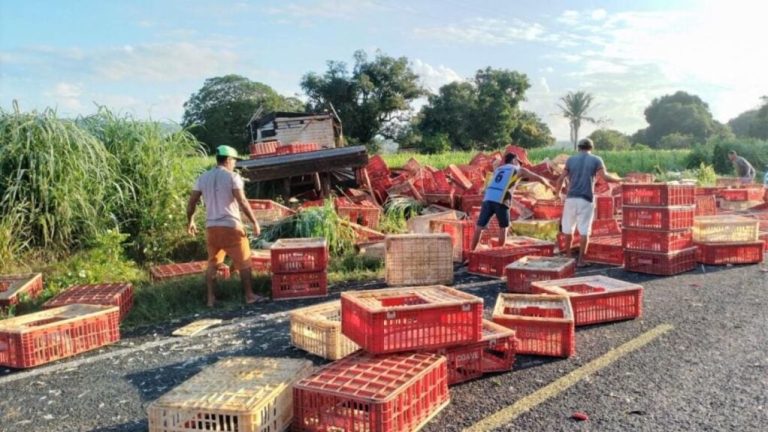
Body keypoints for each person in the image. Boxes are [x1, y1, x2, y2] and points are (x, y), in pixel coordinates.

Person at [186, 145, 265, 307]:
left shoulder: (202, 178)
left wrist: (190, 221)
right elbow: (242, 201)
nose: (235, 164)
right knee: (244, 262)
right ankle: (249, 295)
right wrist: (254, 222)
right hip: (231, 226)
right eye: (234, 160)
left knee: (212, 264)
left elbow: (191, 203)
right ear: (228, 160)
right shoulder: (233, 177)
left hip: (211, 228)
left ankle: (211, 299)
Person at [554, 138, 622, 267]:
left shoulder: (570, 160)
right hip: (586, 199)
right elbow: (605, 177)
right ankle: (581, 261)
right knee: (584, 231)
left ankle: (568, 258)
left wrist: (557, 194)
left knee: (568, 229)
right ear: (591, 148)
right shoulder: (596, 159)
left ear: (578, 148)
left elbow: (560, 179)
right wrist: (620, 180)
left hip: (570, 199)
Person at [469, 152, 555, 252]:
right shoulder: (518, 169)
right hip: (501, 199)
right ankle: (499, 253)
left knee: (479, 227)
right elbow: (538, 178)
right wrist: (550, 186)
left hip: (488, 198)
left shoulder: (498, 169)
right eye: (519, 162)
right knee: (503, 227)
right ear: (514, 160)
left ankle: (472, 251)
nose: (520, 164)